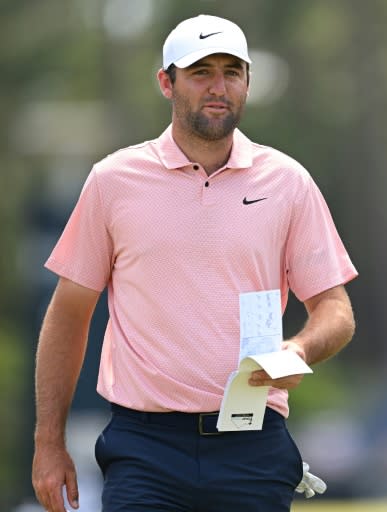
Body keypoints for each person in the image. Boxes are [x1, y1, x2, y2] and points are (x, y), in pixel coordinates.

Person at [31, 14, 358, 512]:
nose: (218, 87)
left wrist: (299, 349)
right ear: (167, 82)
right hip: (145, 448)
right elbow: (68, 314)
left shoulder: (288, 182)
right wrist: (48, 443)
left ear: (247, 83)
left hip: (253, 443)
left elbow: (335, 309)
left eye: (232, 72)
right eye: (201, 72)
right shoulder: (113, 181)